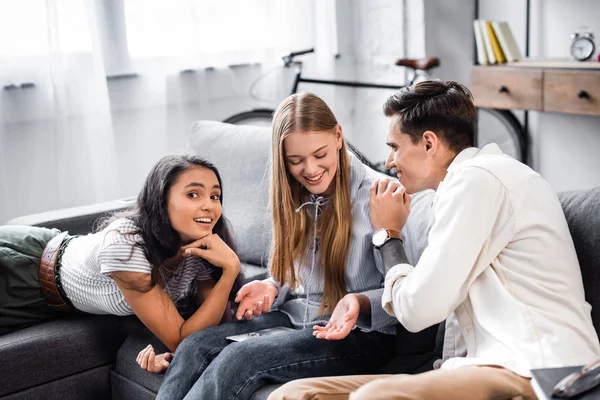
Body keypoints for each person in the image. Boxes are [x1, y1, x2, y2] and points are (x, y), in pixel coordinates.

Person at [269, 80, 600, 400]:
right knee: (293, 394)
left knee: (377, 397)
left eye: (394, 147)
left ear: (429, 143)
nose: (389, 162)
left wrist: (387, 235)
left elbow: (417, 310)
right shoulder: (462, 188)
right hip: (474, 369)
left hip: (536, 370)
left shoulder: (480, 180)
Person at [143, 92, 434, 400]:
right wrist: (272, 286)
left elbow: (406, 292)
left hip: (358, 335)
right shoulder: (292, 195)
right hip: (294, 317)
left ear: (338, 136)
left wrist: (360, 302)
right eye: (295, 161)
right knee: (195, 346)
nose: (310, 170)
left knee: (239, 361)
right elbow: (293, 274)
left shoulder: (383, 197)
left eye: (319, 154)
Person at [0, 154, 243, 367]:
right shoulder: (126, 244)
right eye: (193, 194)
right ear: (160, 201)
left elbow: (215, 329)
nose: (209, 206)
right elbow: (183, 340)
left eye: (215, 196)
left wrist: (226, 269)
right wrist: (230, 269)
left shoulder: (199, 247)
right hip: (21, 266)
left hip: (50, 302)